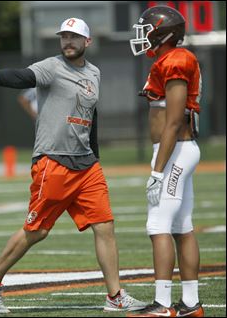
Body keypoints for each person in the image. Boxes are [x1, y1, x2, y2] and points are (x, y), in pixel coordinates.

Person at [0, 17, 147, 315]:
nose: (68, 41)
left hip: (86, 165)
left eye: (74, 37)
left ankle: (115, 296)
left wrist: (96, 155)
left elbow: (92, 117)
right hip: (53, 160)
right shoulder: (51, 66)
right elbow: (23, 77)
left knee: (105, 226)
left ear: (87, 42)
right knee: (37, 231)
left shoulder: (95, 73)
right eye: (64, 36)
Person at [127, 5, 204, 317]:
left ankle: (162, 305)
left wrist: (158, 170)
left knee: (157, 225)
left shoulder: (176, 60)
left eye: (146, 29)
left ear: (163, 32)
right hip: (177, 151)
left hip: (174, 152)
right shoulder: (166, 60)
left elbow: (173, 120)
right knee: (181, 227)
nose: (143, 35)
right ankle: (190, 304)